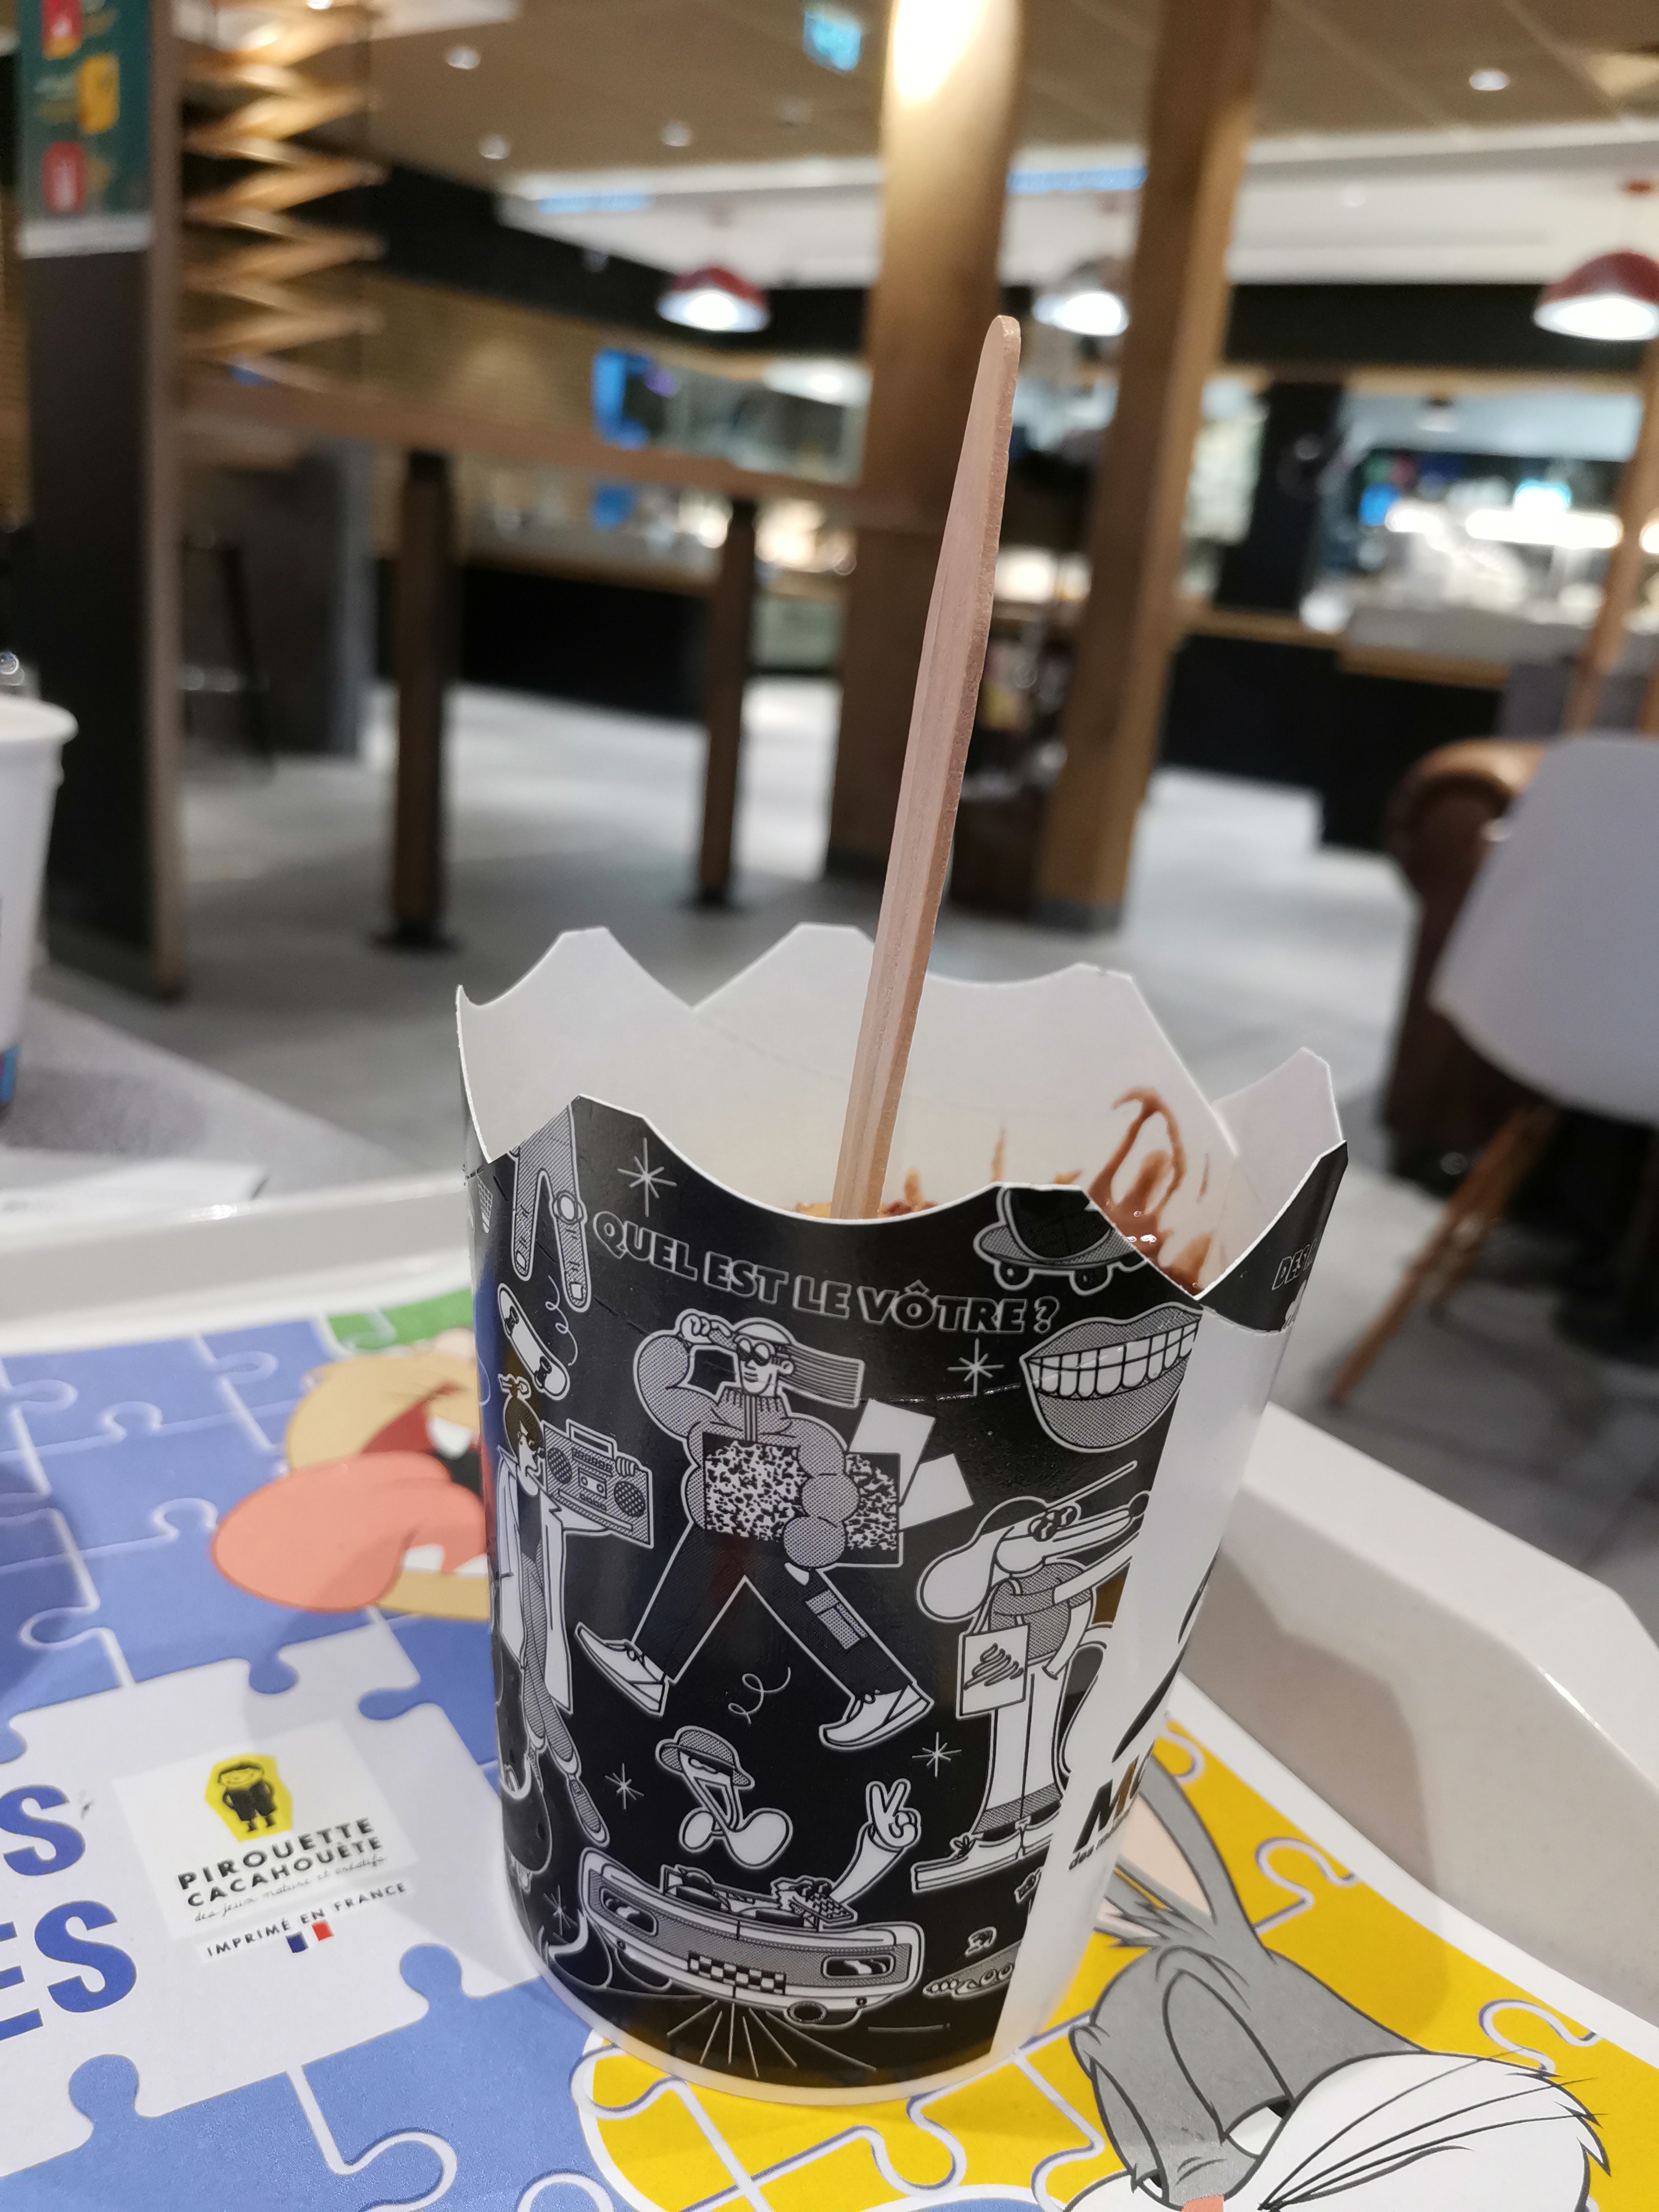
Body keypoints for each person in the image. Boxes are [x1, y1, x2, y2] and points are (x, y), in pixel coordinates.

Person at [577, 1311, 931, 1751]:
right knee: (719, 1548)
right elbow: (660, 1391)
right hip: (737, 1534)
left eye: (762, 1356)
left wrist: (811, 1537)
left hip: (786, 1544)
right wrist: (685, 1343)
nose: (749, 1363)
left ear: (783, 1366)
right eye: (742, 1351)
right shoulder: (710, 1415)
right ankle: (885, 1688)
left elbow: (836, 1490)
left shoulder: (806, 1434)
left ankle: (886, 1687)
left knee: (797, 1591)